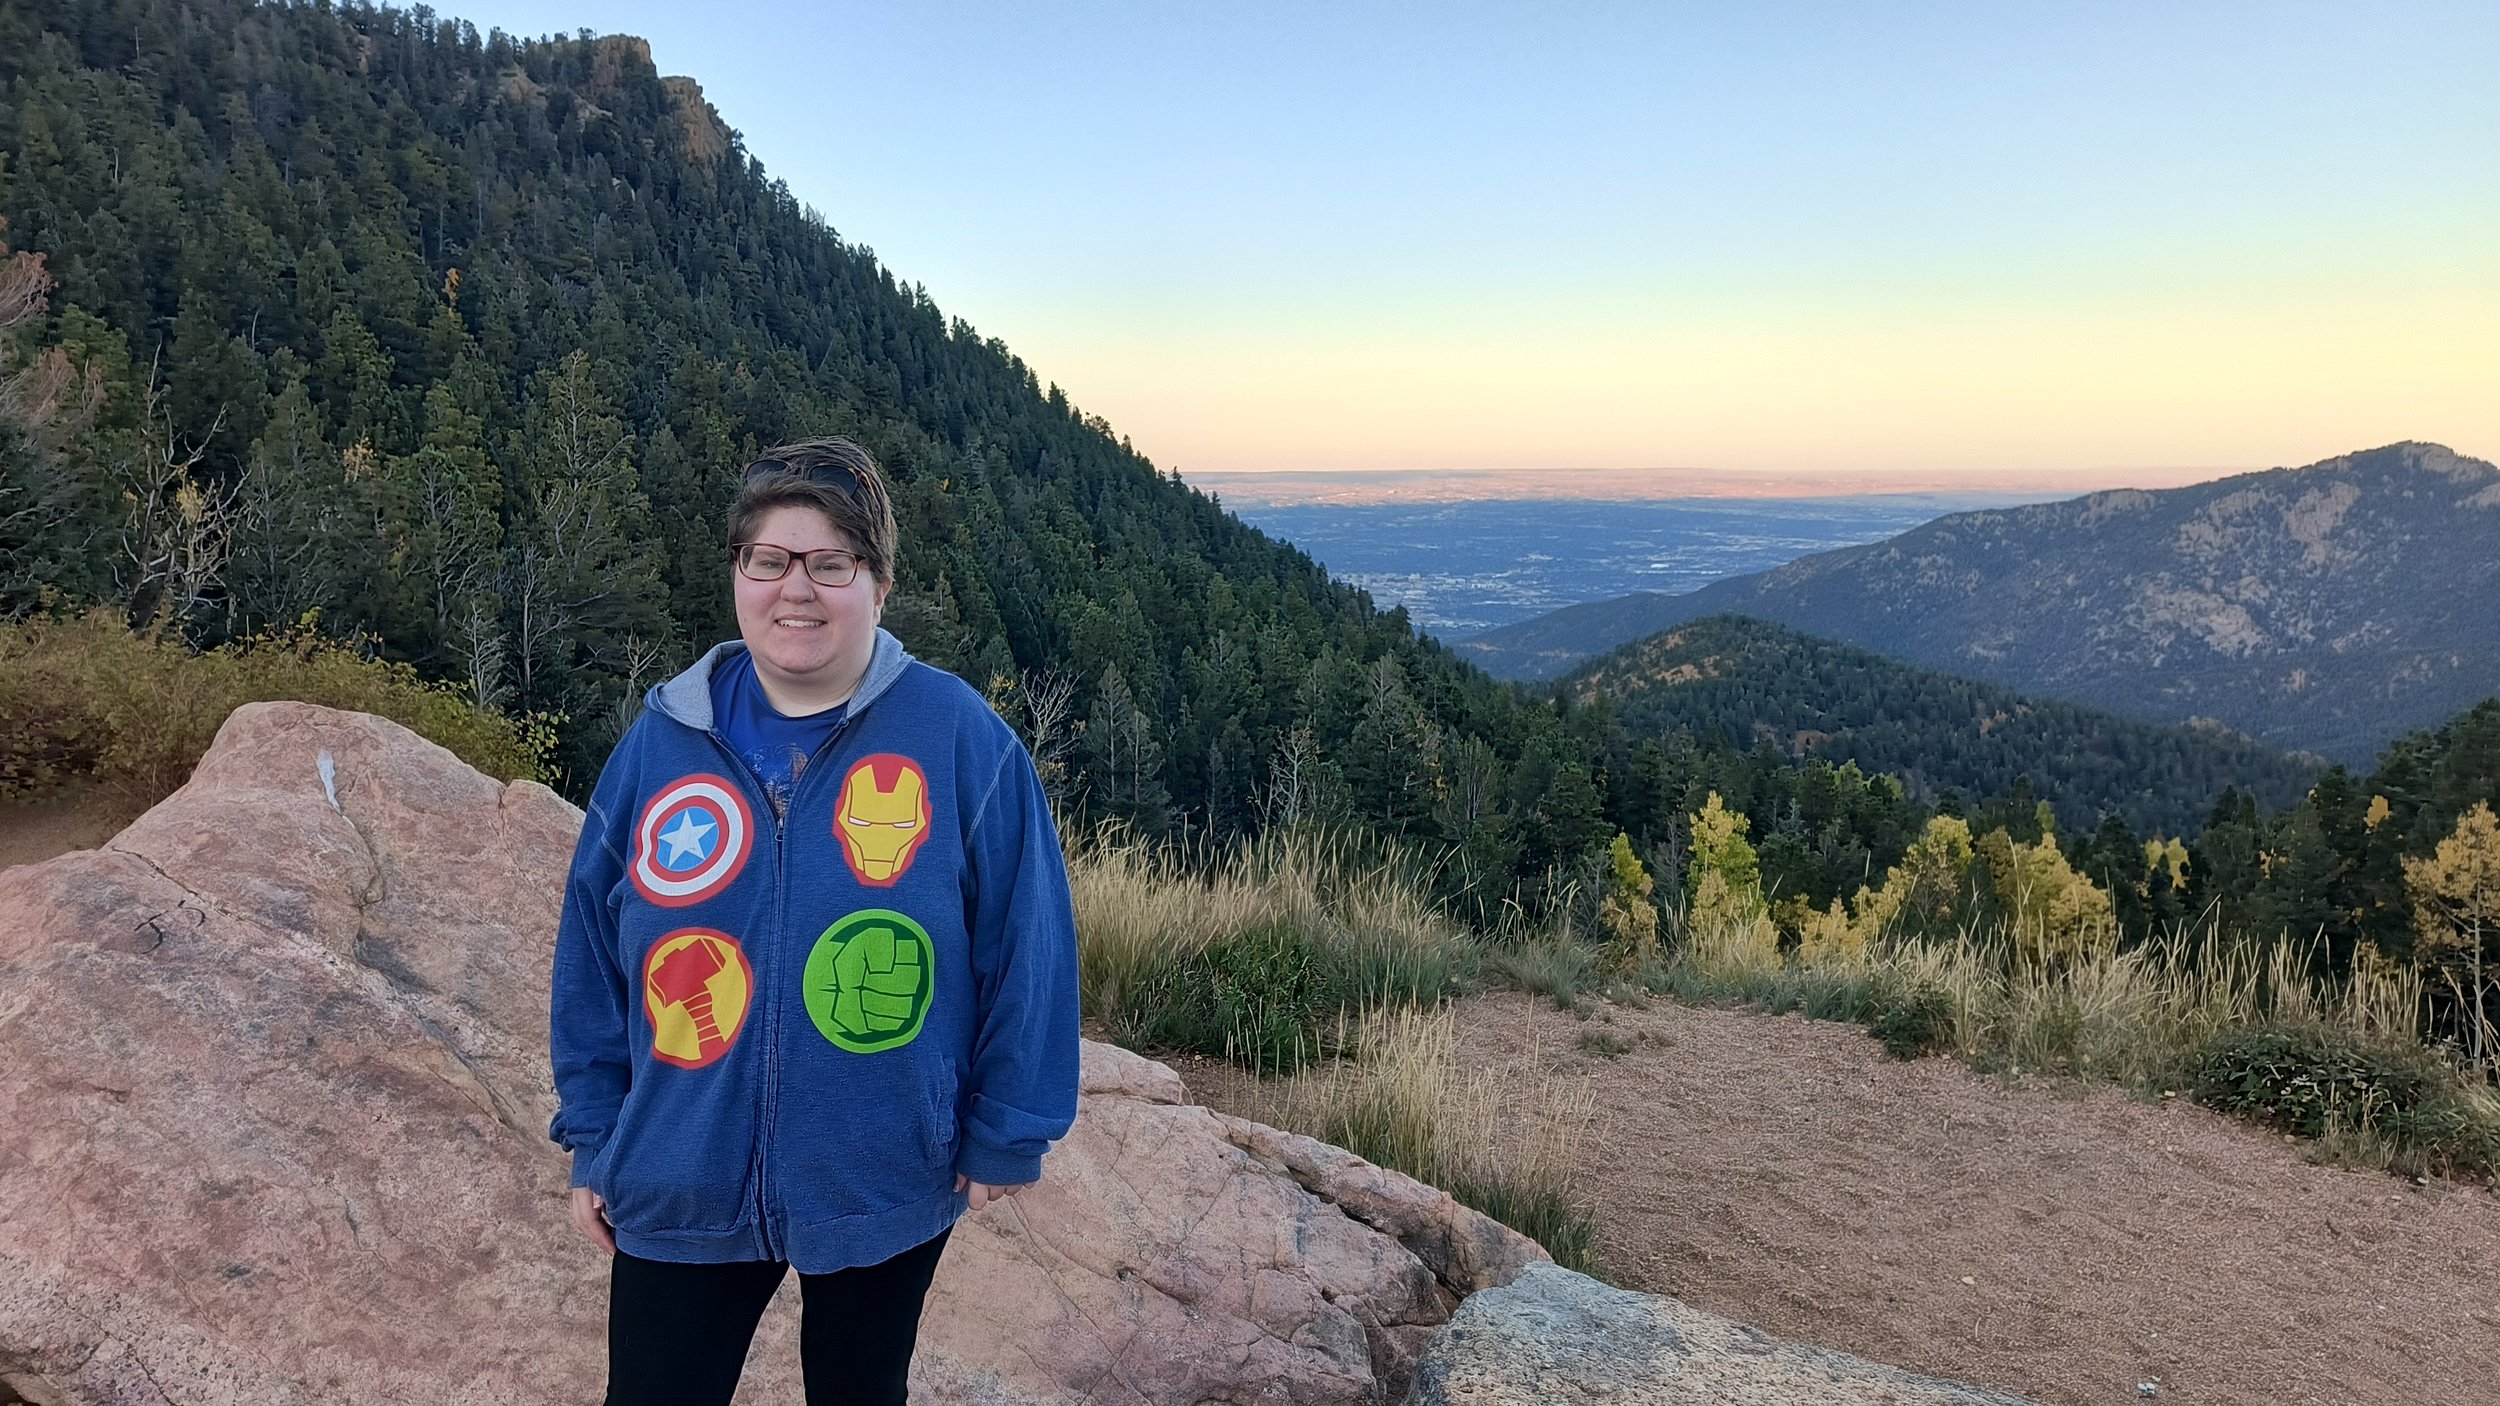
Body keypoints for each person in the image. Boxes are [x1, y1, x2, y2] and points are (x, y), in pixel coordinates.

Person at [548, 436, 1079, 1406]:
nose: (797, 589)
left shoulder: (959, 737)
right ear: (738, 574)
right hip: (680, 1159)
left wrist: (1007, 1128)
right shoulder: (664, 738)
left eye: (831, 562)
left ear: (876, 580)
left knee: (860, 1390)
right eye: (770, 560)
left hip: (883, 1164)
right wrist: (595, 1129)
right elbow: (591, 943)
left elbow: (1026, 941)